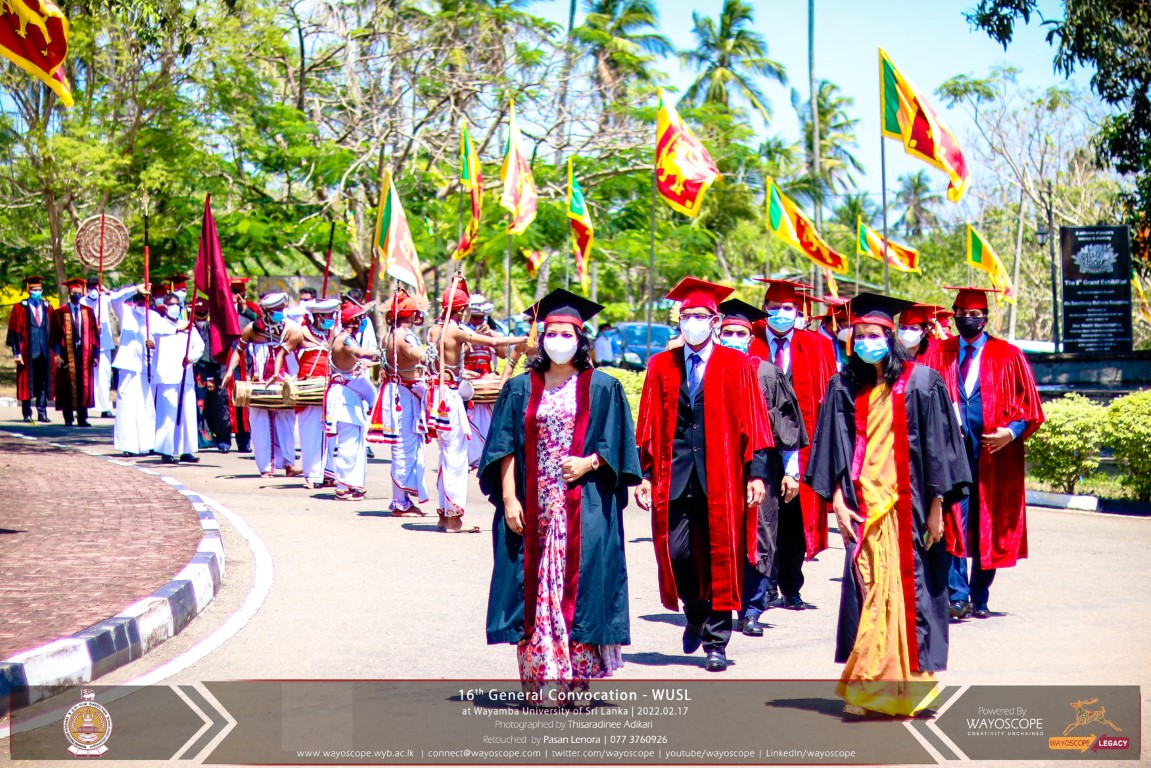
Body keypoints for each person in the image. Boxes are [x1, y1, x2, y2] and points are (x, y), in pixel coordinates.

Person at [805, 293, 970, 719]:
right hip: (863, 508)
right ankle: (875, 687)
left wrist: (937, 507)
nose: (866, 342)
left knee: (905, 595)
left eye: (874, 334)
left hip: (907, 507)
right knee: (872, 592)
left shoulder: (922, 382)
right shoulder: (843, 386)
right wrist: (836, 501)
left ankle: (893, 688)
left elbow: (940, 451)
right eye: (859, 335)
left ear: (890, 336)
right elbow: (832, 450)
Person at [482, 289, 640, 705]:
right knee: (533, 592)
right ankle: (542, 683)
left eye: (566, 333)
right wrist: (509, 498)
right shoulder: (520, 388)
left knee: (580, 589)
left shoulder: (603, 387)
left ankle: (576, 682)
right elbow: (504, 447)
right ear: (540, 338)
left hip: (583, 509)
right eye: (550, 333)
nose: (558, 340)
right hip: (533, 508)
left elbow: (619, 445)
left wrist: (589, 463)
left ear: (581, 338)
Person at [635, 278, 772, 672]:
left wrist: (756, 474)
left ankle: (716, 643)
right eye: (686, 315)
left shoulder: (736, 364)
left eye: (699, 315)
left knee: (720, 556)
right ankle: (694, 611)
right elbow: (648, 424)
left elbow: (754, 422)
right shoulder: (661, 365)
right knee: (677, 553)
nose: (691, 321)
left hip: (723, 475)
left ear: (715, 321)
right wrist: (645, 474)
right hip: (674, 475)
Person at [922, 287, 1045, 620]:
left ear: (986, 318)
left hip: (994, 458)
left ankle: (979, 595)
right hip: (951, 457)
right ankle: (957, 595)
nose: (967, 319)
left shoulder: (1008, 355)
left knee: (988, 524)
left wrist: (1011, 432)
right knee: (952, 519)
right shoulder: (938, 353)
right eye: (961, 314)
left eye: (974, 315)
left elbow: (1030, 406)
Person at [717, 299, 808, 639]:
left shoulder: (767, 373)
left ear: (750, 337)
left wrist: (791, 471)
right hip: (718, 467)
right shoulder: (708, 371)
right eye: (727, 332)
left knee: (761, 534)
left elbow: (787, 427)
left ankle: (753, 609)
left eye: (740, 333)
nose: (733, 339)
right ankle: (722, 605)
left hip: (763, 468)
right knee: (723, 536)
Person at [749, 279, 838, 611]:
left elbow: (829, 395)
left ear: (798, 312)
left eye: (788, 308)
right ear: (764, 309)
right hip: (761, 442)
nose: (781, 313)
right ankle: (766, 584)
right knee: (763, 516)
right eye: (774, 307)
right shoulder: (751, 339)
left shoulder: (817, 345)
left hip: (803, 444)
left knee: (795, 519)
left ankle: (792, 585)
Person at [426, 276, 526, 533]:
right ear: (461, 310)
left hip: (436, 395)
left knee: (446, 456)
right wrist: (523, 339)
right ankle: (454, 519)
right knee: (455, 458)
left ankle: (444, 515)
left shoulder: (434, 330)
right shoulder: (456, 331)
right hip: (449, 397)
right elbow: (494, 344)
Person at [222, 293, 300, 478]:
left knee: (286, 424)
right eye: (277, 310)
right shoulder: (252, 329)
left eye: (282, 309)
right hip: (260, 383)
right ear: (266, 311)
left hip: (284, 383)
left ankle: (289, 465)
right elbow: (238, 351)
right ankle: (266, 468)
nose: (281, 312)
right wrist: (230, 370)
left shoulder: (291, 328)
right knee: (260, 426)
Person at [369, 287, 431, 513]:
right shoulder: (404, 336)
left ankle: (402, 500)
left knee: (402, 447)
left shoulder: (389, 334)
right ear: (412, 315)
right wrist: (434, 354)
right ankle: (400, 503)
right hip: (403, 396)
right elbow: (417, 355)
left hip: (397, 392)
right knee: (404, 448)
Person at [279, 298, 341, 488]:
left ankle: (327, 474)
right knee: (310, 433)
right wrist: (278, 375)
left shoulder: (332, 334)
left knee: (329, 433)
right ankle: (312, 476)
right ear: (318, 316)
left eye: (333, 315)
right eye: (328, 315)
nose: (331, 318)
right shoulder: (301, 333)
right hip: (308, 389)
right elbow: (282, 352)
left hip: (328, 387)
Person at [327, 300, 382, 499]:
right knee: (348, 443)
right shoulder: (345, 340)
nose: (362, 322)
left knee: (356, 442)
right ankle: (343, 486)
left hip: (351, 395)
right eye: (360, 319)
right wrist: (383, 354)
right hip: (345, 396)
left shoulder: (346, 338)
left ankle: (353, 485)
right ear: (355, 321)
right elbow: (359, 353)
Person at [152, 292, 204, 463]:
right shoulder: (159, 323)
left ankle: (185, 450)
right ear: (165, 306)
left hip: (185, 375)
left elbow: (200, 346)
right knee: (167, 416)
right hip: (167, 377)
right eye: (171, 304)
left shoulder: (187, 325)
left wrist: (191, 357)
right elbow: (155, 332)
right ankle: (166, 451)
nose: (175, 307)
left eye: (177, 304)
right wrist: (177, 329)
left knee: (187, 415)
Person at [110, 284, 157, 456]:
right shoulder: (126, 312)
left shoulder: (153, 317)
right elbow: (114, 299)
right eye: (139, 299)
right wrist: (135, 289)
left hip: (147, 367)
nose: (142, 303)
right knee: (127, 406)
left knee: (146, 407)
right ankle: (128, 446)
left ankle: (148, 444)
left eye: (145, 300)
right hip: (128, 367)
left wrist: (153, 344)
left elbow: (164, 332)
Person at [49, 278, 100, 428]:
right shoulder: (60, 312)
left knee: (83, 385)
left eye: (79, 293)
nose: (76, 295)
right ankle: (68, 417)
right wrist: (57, 355)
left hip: (85, 354)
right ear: (69, 294)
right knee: (67, 385)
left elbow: (94, 336)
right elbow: (55, 336)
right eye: (73, 293)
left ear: (82, 293)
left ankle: (82, 418)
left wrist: (95, 355)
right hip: (66, 354)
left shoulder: (88, 312)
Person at [464, 293, 504, 470]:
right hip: (469, 383)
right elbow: (459, 355)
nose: (478, 321)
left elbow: (503, 354)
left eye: (481, 317)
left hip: (487, 383)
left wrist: (492, 339)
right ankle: (471, 458)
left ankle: (486, 458)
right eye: (475, 317)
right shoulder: (463, 332)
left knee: (488, 423)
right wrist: (474, 338)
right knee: (470, 422)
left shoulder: (493, 334)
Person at [6, 275, 54, 423]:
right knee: (26, 383)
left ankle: (42, 412)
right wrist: (17, 352)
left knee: (43, 382)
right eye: (34, 290)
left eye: (39, 290)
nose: (37, 292)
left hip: (44, 351)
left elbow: (53, 329)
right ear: (28, 290)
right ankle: (27, 413)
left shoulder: (47, 307)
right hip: (27, 351)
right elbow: (15, 331)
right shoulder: (20, 308)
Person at [192, 299, 233, 453]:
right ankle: (198, 440)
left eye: (204, 316)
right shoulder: (189, 327)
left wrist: (210, 376)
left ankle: (223, 440)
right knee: (199, 407)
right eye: (198, 316)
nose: (201, 319)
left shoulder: (214, 327)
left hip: (215, 371)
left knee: (219, 406)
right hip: (197, 372)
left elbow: (211, 353)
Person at [80, 277, 115, 418]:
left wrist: (107, 291)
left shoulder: (105, 299)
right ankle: (84, 406)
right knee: (86, 377)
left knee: (104, 377)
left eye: (95, 286)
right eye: (91, 287)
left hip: (104, 344)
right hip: (87, 344)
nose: (93, 290)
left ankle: (104, 407)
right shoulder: (83, 302)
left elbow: (117, 299)